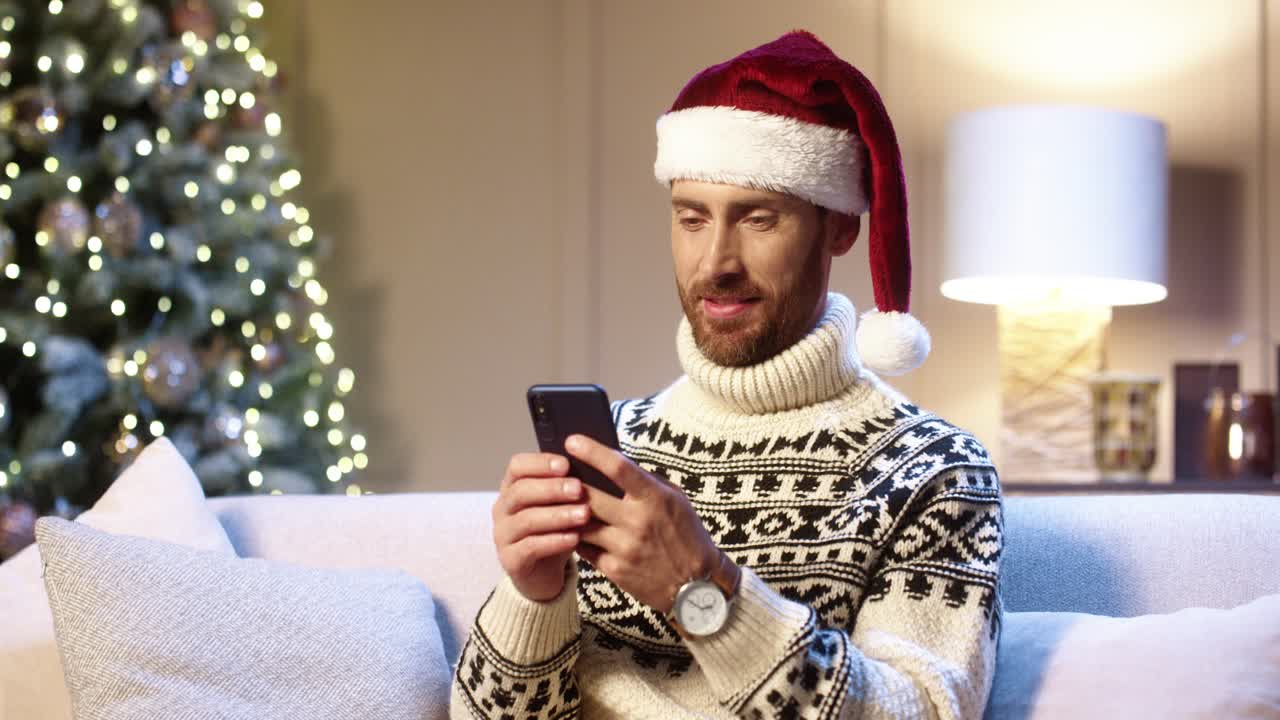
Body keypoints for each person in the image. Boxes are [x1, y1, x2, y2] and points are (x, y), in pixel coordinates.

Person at [450, 29, 1003, 720]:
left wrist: (700, 590)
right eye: (691, 218)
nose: (716, 261)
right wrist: (532, 598)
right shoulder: (614, 445)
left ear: (839, 230)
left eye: (758, 219)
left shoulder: (935, 471)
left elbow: (920, 711)